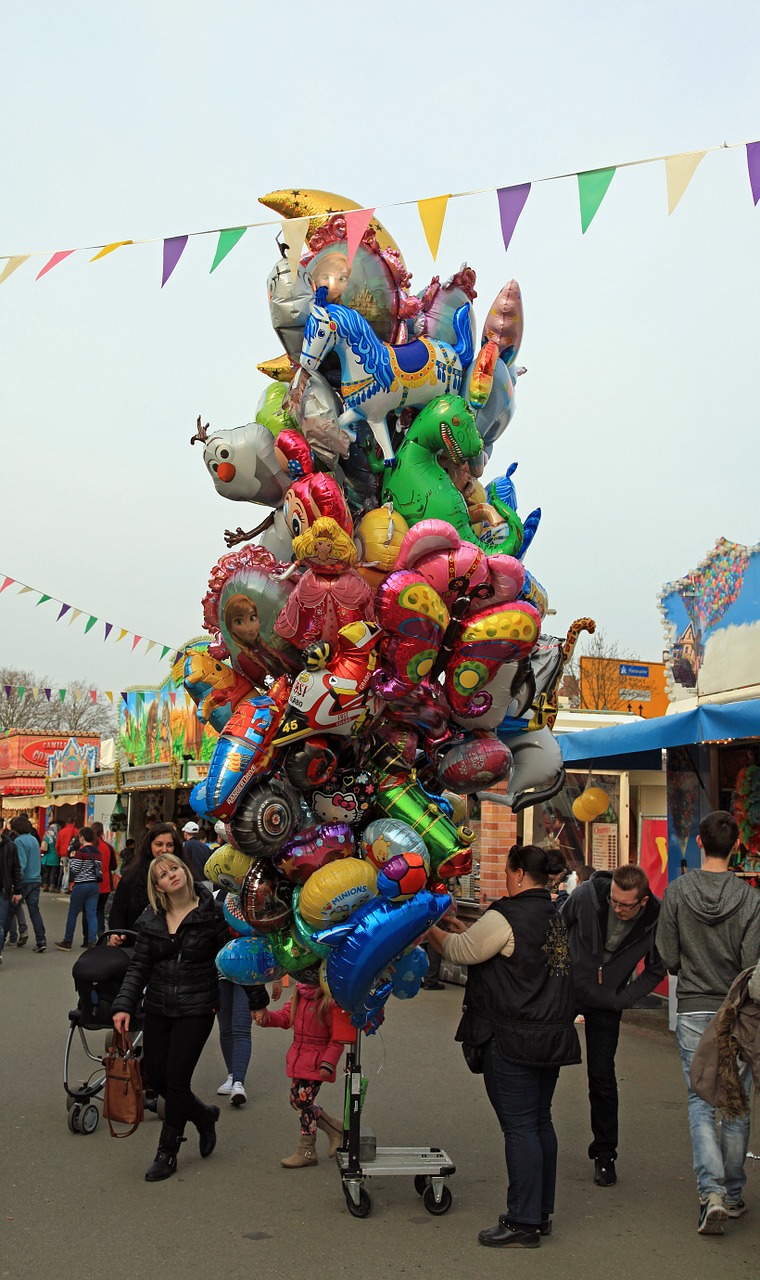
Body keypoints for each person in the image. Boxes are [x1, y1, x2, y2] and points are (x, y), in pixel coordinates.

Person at [426, 845, 581, 1248]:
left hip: (513, 1037)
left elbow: (461, 953)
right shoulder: (553, 915)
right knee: (540, 1122)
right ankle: (540, 1212)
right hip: (551, 1036)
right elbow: (510, 957)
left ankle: (522, 1220)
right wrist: (466, 932)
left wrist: (429, 930)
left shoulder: (507, 914)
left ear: (515, 873)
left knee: (520, 1129)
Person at [111, 854, 270, 1181]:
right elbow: (139, 966)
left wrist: (257, 1000)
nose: (171, 875)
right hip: (157, 1006)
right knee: (156, 1078)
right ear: (158, 886)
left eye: (174, 868)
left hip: (197, 1008)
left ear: (184, 871)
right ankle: (204, 1116)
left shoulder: (211, 912)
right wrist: (123, 1004)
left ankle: (167, 1152)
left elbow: (235, 958)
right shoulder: (152, 917)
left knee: (177, 1079)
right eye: (163, 874)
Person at [656, 810, 760, 1235]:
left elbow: (667, 953)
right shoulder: (751, 899)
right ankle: (733, 1194)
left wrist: (689, 968)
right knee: (736, 1098)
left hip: (695, 1005)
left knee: (701, 1098)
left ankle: (711, 1192)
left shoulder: (678, 892)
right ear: (736, 846)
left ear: (699, 844)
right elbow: (753, 963)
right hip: (738, 1009)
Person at [560, 863, 665, 1189]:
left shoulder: (654, 920)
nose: (618, 909)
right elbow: (556, 930)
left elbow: (657, 969)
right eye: (615, 902)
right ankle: (533, 1138)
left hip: (607, 1004)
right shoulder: (586, 896)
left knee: (602, 1077)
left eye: (626, 905)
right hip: (568, 993)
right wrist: (558, 978)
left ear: (643, 901)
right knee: (544, 1059)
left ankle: (605, 1154)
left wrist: (623, 998)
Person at [254, 976, 345, 1168]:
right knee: (296, 1101)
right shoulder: (300, 993)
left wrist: (328, 1062)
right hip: (299, 1057)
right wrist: (267, 1018)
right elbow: (287, 1017)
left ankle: (307, 1150)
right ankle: (334, 1127)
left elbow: (337, 1038)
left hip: (317, 1060)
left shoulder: (330, 999)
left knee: (303, 1102)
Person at [108, 823, 189, 944]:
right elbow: (118, 909)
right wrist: (116, 933)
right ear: (149, 845)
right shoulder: (132, 875)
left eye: (170, 845)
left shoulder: (184, 875)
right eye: (159, 844)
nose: (164, 850)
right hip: (136, 943)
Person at [54, 827, 102, 951]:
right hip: (94, 885)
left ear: (82, 837)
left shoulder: (81, 852)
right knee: (91, 914)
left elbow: (75, 869)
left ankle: (67, 941)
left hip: (81, 885)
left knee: (73, 913)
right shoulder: (97, 852)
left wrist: (73, 858)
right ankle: (92, 941)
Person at [11, 815, 46, 953]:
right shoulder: (33, 840)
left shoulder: (19, 841)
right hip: (35, 879)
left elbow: (22, 863)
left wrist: (16, 882)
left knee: (10, 911)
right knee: (34, 911)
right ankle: (41, 940)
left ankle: (5, 939)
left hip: (25, 880)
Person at [0, 820, 23, 967]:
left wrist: (18, 891)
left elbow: (16, 869)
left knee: (0, 924)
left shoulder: (10, 846)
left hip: (3, 890)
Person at [91, 821, 117, 938]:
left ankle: (90, 936)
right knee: (100, 909)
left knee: (90, 910)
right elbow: (114, 866)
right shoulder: (108, 847)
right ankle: (101, 932)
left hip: (91, 882)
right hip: (105, 883)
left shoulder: (88, 847)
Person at [56, 817, 79, 893]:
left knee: (63, 871)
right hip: (72, 853)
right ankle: (66, 887)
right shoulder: (76, 831)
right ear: (73, 823)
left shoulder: (61, 831)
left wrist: (59, 854)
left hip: (63, 854)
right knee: (69, 871)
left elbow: (57, 845)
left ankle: (61, 886)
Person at [40, 824, 60, 893]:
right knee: (53, 873)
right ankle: (52, 886)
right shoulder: (57, 837)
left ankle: (45, 885)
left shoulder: (46, 836)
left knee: (46, 872)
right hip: (55, 857)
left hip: (46, 857)